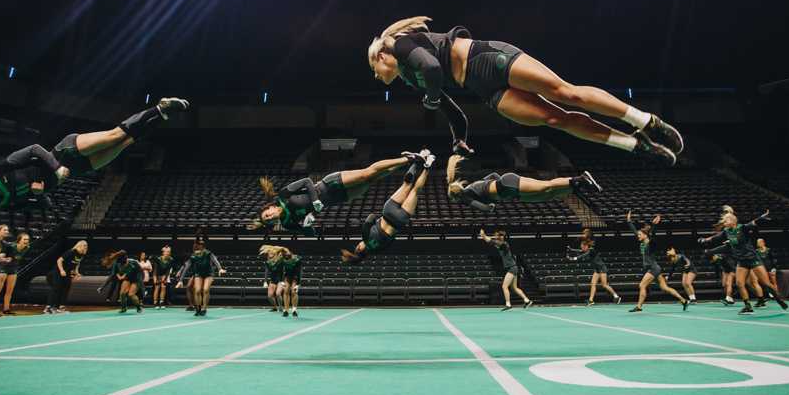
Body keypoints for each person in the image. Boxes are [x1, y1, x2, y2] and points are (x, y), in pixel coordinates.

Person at [367, 17, 681, 163]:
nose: (378, 78)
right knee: (555, 119)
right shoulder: (411, 77)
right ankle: (634, 145)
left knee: (564, 92)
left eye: (375, 70)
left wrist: (432, 98)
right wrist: (459, 140)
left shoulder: (401, 44)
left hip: (488, 60)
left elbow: (435, 69)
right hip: (484, 89)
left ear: (381, 56)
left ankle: (645, 121)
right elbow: (453, 110)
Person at [0, 99, 190, 209]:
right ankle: (162, 117)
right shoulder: (4, 201)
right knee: (126, 143)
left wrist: (55, 168)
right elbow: (35, 200)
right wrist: (42, 196)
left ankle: (160, 107)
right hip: (77, 169)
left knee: (115, 136)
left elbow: (34, 149)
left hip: (66, 152)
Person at [250, 152, 426, 232]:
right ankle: (411, 164)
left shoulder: (282, 197)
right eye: (267, 220)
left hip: (329, 185)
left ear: (269, 208)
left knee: (367, 174)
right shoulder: (288, 224)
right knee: (374, 180)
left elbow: (307, 181)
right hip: (339, 198)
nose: (269, 217)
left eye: (266, 214)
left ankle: (406, 158)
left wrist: (315, 200)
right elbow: (309, 233)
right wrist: (307, 225)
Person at [341, 153, 435, 264]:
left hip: (398, 221)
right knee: (406, 184)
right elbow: (371, 217)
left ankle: (427, 166)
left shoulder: (378, 250)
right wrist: (377, 222)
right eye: (358, 245)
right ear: (360, 248)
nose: (359, 243)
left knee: (415, 191)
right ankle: (415, 162)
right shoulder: (365, 236)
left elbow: (392, 239)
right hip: (388, 212)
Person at [700, 209, 787, 315]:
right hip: (742, 261)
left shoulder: (742, 228)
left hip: (753, 259)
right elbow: (715, 238)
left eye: (726, 221)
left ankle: (779, 299)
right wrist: (705, 240)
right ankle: (747, 306)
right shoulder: (726, 232)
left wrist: (762, 217)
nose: (724, 223)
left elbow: (754, 223)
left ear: (733, 221)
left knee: (766, 283)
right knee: (739, 283)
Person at [446, 154, 601, 212]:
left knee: (545, 186)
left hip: (508, 186)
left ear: (456, 197)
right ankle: (574, 187)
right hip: (508, 185)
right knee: (546, 195)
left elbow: (485, 208)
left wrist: (492, 205)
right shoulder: (472, 187)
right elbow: (493, 174)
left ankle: (580, 179)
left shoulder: (465, 197)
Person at [626, 212, 689, 312]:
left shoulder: (651, 244)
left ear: (645, 235)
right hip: (653, 268)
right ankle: (684, 300)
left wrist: (655, 225)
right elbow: (635, 231)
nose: (637, 236)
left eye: (639, 235)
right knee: (665, 288)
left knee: (642, 285)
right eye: (638, 234)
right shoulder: (642, 241)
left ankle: (639, 306)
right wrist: (629, 221)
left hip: (653, 268)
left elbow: (650, 234)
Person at [479, 229, 532, 311]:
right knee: (514, 288)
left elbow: (491, 241)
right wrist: (484, 236)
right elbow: (490, 241)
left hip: (512, 268)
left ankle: (508, 304)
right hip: (513, 267)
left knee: (504, 286)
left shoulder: (503, 244)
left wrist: (483, 235)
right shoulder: (500, 244)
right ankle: (527, 300)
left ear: (501, 237)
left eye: (497, 235)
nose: (495, 236)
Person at [565, 231, 620, 305]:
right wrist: (571, 249)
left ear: (586, 246)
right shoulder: (587, 249)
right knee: (593, 284)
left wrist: (573, 258)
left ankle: (616, 296)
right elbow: (580, 251)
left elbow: (582, 256)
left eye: (582, 246)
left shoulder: (591, 250)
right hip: (597, 269)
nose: (581, 248)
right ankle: (591, 300)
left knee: (604, 285)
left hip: (602, 268)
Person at [0, 232, 30, 315]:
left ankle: (6, 309)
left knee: (9, 291)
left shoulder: (27, 248)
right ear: (19, 240)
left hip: (13, 269)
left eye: (27, 239)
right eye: (24, 239)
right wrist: (5, 260)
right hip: (3, 268)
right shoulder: (10, 246)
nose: (26, 241)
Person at [45, 240, 87, 314]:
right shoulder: (71, 252)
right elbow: (59, 260)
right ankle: (48, 307)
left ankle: (59, 307)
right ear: (79, 245)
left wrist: (77, 272)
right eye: (84, 245)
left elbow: (77, 263)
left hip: (67, 273)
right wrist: (61, 270)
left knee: (66, 289)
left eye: (86, 246)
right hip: (58, 272)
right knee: (56, 288)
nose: (85, 247)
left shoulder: (81, 255)